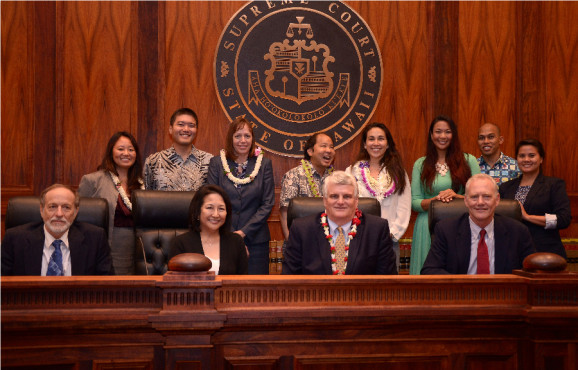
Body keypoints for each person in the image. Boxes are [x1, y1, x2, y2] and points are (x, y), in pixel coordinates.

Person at [282, 171, 397, 275]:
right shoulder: (302, 229)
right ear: (325, 201)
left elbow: (387, 281)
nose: (340, 202)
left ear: (356, 201)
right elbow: (289, 280)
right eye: (334, 196)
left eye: (347, 196)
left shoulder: (377, 230)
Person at [421, 174, 535, 275]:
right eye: (474, 197)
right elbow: (430, 270)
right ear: (466, 200)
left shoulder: (518, 231)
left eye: (487, 196)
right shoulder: (446, 230)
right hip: (461, 295)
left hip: (503, 295)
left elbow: (531, 272)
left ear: (497, 200)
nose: (480, 202)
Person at [410, 115, 481, 275]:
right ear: (431, 135)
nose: (442, 136)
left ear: (453, 135)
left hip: (460, 224)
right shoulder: (420, 164)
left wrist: (457, 197)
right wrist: (435, 201)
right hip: (426, 225)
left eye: (447, 132)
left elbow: (481, 196)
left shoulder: (469, 161)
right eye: (438, 132)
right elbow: (414, 202)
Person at [207, 117, 275, 274]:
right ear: (231, 138)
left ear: (253, 139)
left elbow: (267, 204)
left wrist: (243, 233)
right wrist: (231, 235)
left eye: (247, 136)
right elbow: (211, 199)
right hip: (223, 237)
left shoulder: (264, 164)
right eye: (238, 136)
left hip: (256, 240)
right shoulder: (217, 163)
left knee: (256, 292)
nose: (242, 140)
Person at [1, 184, 114, 276]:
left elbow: (106, 286)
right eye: (52, 207)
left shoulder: (95, 239)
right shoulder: (15, 239)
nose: (59, 214)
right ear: (41, 210)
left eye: (66, 207)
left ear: (75, 212)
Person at [346, 122, 411, 271]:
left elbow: (404, 207)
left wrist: (392, 234)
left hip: (389, 241)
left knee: (388, 289)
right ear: (364, 144)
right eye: (371, 139)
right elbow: (347, 206)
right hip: (358, 240)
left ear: (388, 144)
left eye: (381, 139)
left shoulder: (398, 172)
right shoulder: (351, 172)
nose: (376, 143)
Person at [78, 131, 143, 275]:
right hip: (108, 247)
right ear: (111, 152)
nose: (126, 153)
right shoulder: (93, 181)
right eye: (120, 149)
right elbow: (78, 219)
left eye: (131, 149)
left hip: (140, 249)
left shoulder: (142, 183)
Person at [499, 139, 571, 259]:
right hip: (512, 252)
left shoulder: (554, 185)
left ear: (541, 159)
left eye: (531, 155)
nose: (526, 159)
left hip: (545, 253)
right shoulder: (506, 188)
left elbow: (563, 219)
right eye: (522, 156)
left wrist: (528, 217)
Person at [167, 184, 248, 275]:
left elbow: (243, 282)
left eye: (221, 209)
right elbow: (173, 283)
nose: (216, 214)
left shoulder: (236, 242)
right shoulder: (180, 243)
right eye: (210, 208)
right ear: (197, 212)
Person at [279, 132, 335, 240]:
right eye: (323, 146)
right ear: (310, 151)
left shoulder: (335, 178)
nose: (328, 150)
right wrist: (291, 242)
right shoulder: (294, 175)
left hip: (330, 240)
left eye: (331, 147)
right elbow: (284, 212)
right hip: (302, 240)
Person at [144, 108, 213, 191]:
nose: (186, 129)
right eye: (181, 124)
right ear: (170, 129)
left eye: (191, 125)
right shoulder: (153, 161)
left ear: (196, 130)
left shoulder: (209, 161)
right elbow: (146, 199)